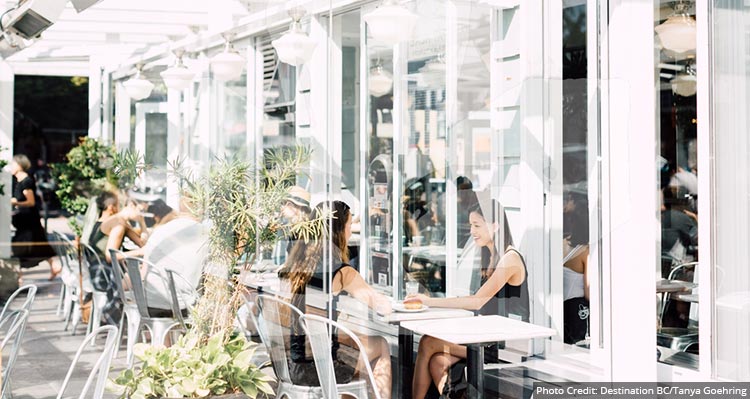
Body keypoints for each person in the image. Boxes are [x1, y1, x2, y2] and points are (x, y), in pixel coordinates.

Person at [407, 199, 529, 399]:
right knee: (438, 361)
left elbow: (476, 301)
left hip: (504, 346)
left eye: (477, 225)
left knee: (428, 343)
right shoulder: (489, 256)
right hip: (486, 337)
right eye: (471, 225)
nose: (472, 231)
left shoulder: (510, 258)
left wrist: (428, 301)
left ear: (495, 225)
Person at [277, 200, 393, 398]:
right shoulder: (341, 271)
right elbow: (382, 306)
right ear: (339, 230)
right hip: (319, 368)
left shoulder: (297, 263)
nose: (351, 232)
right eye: (349, 226)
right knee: (380, 344)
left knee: (357, 346)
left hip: (294, 366)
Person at [87, 191, 147, 325]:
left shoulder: (117, 221)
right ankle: (137, 321)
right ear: (131, 206)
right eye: (140, 211)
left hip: (97, 271)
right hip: (104, 276)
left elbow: (143, 244)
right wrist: (139, 252)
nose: (141, 213)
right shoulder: (118, 224)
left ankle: (131, 322)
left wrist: (141, 221)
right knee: (144, 280)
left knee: (139, 274)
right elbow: (110, 256)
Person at [141, 200, 207, 316]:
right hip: (181, 306)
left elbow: (144, 272)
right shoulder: (204, 233)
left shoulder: (159, 231)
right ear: (201, 210)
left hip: (149, 303)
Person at [9, 154, 60, 280]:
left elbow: (30, 201)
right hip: (23, 219)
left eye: (13, 164)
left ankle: (18, 275)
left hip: (29, 220)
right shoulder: (19, 180)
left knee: (21, 245)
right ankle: (54, 266)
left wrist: (15, 202)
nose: (11, 167)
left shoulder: (26, 181)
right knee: (36, 244)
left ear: (20, 165)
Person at [562, 192, 590, 345]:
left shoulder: (562, 243)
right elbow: (589, 293)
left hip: (562, 308)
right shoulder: (586, 252)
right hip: (577, 311)